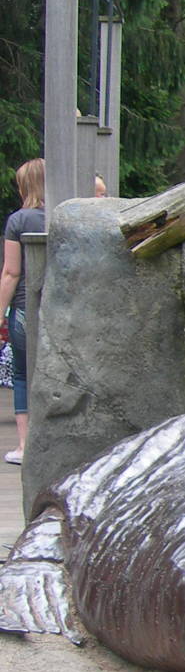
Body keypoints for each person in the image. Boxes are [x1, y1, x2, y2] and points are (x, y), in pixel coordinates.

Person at [0, 159, 46, 464]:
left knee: (21, 374)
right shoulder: (65, 216)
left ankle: (25, 446)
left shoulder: (19, 220)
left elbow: (11, 272)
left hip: (22, 311)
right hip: (58, 309)